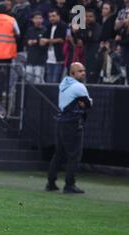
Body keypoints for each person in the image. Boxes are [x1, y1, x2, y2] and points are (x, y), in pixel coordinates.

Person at [46, 62, 93, 194]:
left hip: (61, 121)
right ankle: (69, 185)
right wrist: (84, 103)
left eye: (84, 70)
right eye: (80, 71)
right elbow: (88, 104)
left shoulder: (63, 84)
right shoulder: (79, 87)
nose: (83, 73)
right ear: (72, 73)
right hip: (72, 123)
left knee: (59, 154)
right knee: (74, 155)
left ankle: (51, 182)